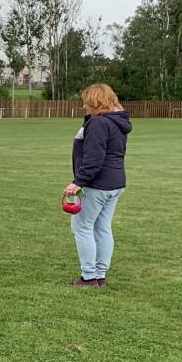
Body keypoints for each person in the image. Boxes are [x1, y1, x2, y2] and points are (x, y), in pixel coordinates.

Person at [65, 83, 132, 287]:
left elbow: (94, 157)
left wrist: (78, 182)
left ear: (95, 101)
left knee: (82, 227)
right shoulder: (116, 122)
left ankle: (89, 276)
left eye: (86, 101)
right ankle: (100, 274)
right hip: (115, 182)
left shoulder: (98, 123)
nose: (84, 105)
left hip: (98, 184)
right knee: (102, 227)